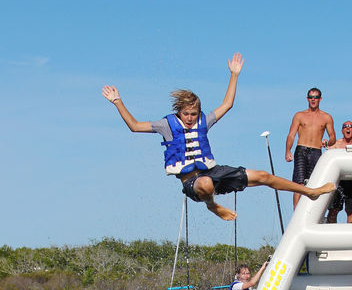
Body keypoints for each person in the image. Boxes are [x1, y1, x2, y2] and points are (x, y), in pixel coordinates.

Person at [103, 54, 335, 222]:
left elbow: (227, 104)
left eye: (194, 114)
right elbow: (134, 126)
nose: (190, 118)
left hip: (215, 172)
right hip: (193, 183)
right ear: (178, 111)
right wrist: (117, 102)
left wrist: (234, 75)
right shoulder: (166, 125)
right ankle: (213, 206)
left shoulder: (204, 121)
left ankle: (310, 192)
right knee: (205, 183)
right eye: (186, 114)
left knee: (263, 175)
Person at [285, 87, 336, 209]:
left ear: (320, 99)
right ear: (307, 99)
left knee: (313, 183)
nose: (313, 99)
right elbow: (291, 134)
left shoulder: (326, 117)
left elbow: (333, 137)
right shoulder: (299, 115)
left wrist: (328, 142)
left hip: (316, 151)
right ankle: (296, 212)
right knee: (299, 183)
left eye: (316, 97)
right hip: (301, 150)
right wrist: (288, 150)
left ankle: (310, 210)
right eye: (311, 97)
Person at [325, 119, 352, 222]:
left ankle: (351, 231)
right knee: (333, 210)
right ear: (342, 131)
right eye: (345, 126)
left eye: (350, 126)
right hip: (338, 180)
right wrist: (325, 144)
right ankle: (331, 230)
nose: (348, 128)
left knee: (351, 211)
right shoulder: (335, 144)